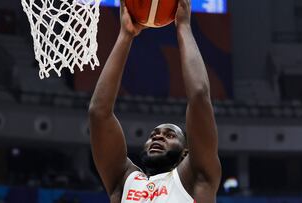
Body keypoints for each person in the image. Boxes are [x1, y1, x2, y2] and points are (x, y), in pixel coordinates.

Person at [88, 0, 221, 202]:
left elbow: (199, 96)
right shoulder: (125, 182)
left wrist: (183, 27)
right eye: (154, 134)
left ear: (186, 152)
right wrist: (125, 36)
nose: (158, 138)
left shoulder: (195, 179)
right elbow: (98, 113)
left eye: (170, 135)